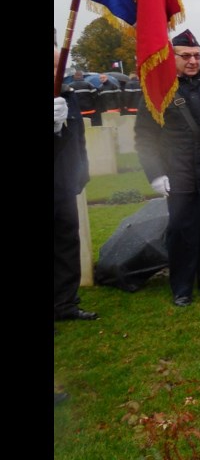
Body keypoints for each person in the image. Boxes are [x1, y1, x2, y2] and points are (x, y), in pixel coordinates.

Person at [135, 30, 200, 307]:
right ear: (173, 57)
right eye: (186, 56)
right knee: (183, 231)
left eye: (196, 55)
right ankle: (182, 288)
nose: (193, 61)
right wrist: (155, 173)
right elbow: (144, 136)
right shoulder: (158, 91)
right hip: (179, 170)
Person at [54, 45, 98, 322]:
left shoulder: (67, 96)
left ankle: (65, 304)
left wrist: (81, 172)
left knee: (66, 244)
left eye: (59, 65)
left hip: (64, 183)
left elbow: (77, 139)